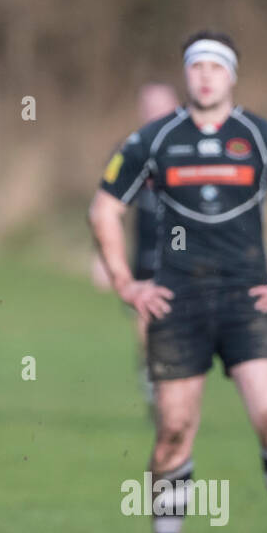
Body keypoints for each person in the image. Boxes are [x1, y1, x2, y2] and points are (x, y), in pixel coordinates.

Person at [90, 31, 267, 533]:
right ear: (186, 75)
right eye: (196, 66)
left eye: (215, 67)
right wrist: (128, 284)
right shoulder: (155, 138)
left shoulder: (260, 136)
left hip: (247, 301)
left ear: (233, 76)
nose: (205, 76)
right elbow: (104, 208)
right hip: (176, 305)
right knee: (173, 430)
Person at [90, 83, 178, 413]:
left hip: (190, 258)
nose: (153, 112)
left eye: (161, 105)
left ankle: (175, 390)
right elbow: (106, 208)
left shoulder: (193, 146)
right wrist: (101, 256)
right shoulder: (129, 149)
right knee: (148, 334)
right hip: (146, 255)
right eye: (148, 106)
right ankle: (156, 389)